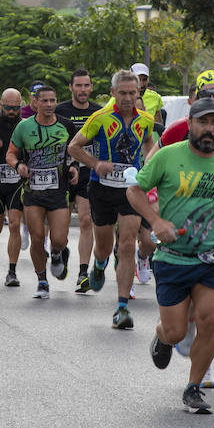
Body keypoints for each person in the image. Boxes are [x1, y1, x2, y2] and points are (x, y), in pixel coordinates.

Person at [131, 97, 214, 413]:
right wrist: (156, 221)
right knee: (176, 332)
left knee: (210, 319)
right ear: (190, 124)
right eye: (203, 122)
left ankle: (193, 387)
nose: (209, 128)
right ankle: (162, 335)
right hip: (172, 257)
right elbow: (134, 191)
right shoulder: (168, 157)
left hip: (211, 257)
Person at [158, 69, 214, 388]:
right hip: (182, 228)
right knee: (187, 313)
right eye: (207, 95)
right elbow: (154, 171)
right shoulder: (177, 131)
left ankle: (205, 361)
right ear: (193, 99)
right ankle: (173, 331)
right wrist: (157, 216)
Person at [68, 69, 158, 329]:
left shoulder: (147, 119)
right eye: (123, 93)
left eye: (133, 93)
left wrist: (148, 166)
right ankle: (98, 264)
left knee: (127, 245)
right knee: (105, 246)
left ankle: (121, 307)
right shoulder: (100, 118)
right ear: (113, 93)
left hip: (130, 190)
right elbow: (74, 146)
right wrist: (96, 163)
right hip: (102, 190)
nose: (129, 98)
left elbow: (149, 143)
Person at [7, 84, 78, 298]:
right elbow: (10, 154)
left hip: (58, 191)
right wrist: (18, 165)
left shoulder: (66, 126)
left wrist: (74, 167)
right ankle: (42, 281)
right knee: (37, 238)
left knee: (58, 239)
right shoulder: (23, 127)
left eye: (52, 100)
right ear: (35, 102)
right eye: (44, 101)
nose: (49, 105)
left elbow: (74, 152)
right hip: (32, 192)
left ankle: (57, 253)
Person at [55, 69, 98, 290]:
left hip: (86, 172)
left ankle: (83, 273)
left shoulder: (98, 113)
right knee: (59, 230)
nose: (83, 90)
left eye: (86, 86)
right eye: (78, 86)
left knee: (85, 220)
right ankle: (60, 250)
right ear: (71, 88)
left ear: (91, 88)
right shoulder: (59, 110)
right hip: (62, 172)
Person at [0, 89, 28, 284]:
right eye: (8, 107)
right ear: (1, 105)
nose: (12, 111)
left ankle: (12, 271)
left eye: (16, 107)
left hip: (16, 182)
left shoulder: (24, 125)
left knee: (14, 225)